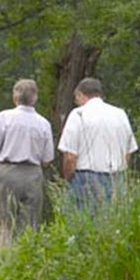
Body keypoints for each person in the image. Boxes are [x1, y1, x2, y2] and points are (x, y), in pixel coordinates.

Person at [0, 79, 54, 240]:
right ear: (35, 98)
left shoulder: (4, 118)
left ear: (15, 97)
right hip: (33, 174)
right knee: (29, 221)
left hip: (6, 171)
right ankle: (24, 256)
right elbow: (47, 159)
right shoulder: (44, 124)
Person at [58, 77, 137, 211]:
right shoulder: (120, 114)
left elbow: (70, 156)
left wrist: (68, 178)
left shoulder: (78, 114)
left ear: (81, 95)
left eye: (76, 99)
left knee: (81, 224)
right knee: (112, 223)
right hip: (116, 178)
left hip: (85, 178)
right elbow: (128, 152)